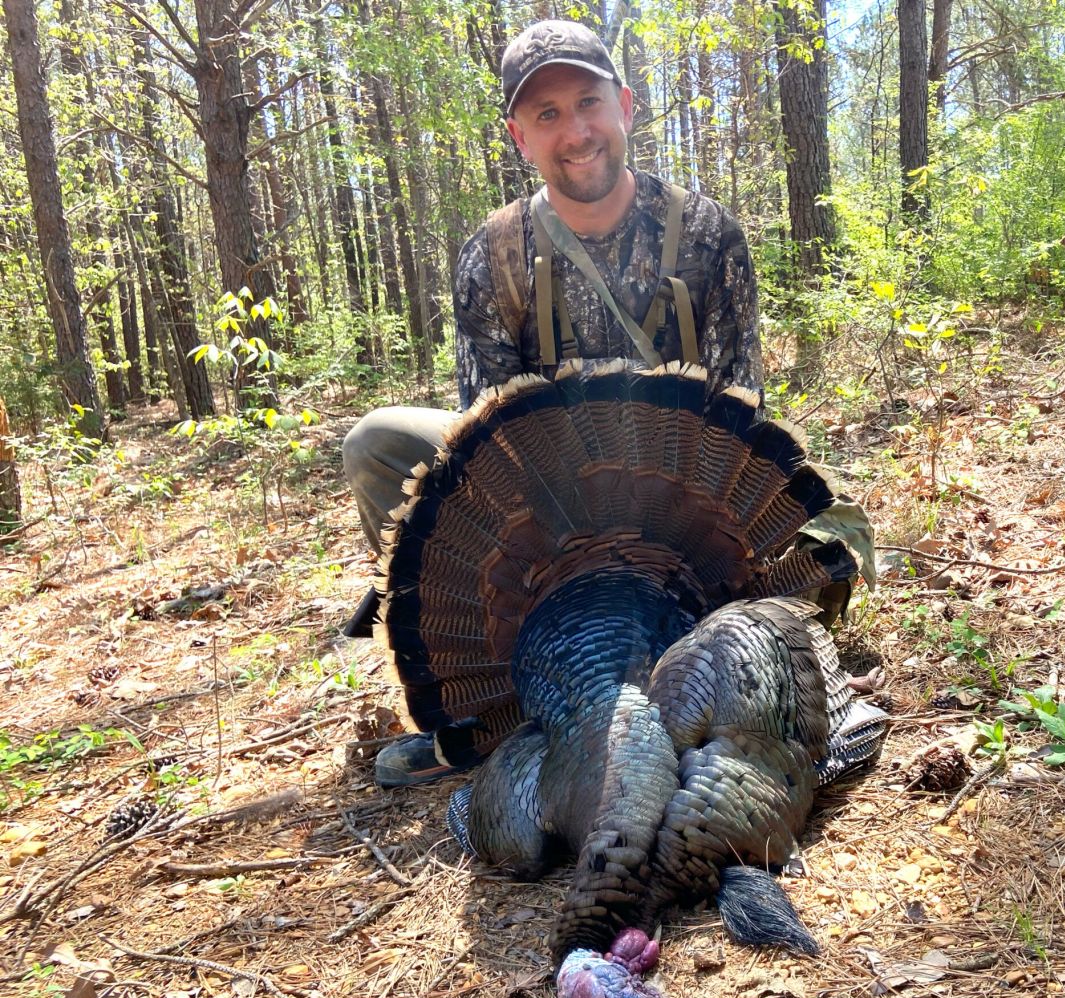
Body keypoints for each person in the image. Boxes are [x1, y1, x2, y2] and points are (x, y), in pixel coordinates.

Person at [343, 19, 871, 788]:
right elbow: (483, 446)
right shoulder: (493, 256)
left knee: (833, 537)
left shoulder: (706, 235)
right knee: (376, 441)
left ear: (625, 105)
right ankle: (499, 692)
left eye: (588, 102)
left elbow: (740, 412)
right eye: (547, 114)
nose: (575, 131)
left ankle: (665, 664)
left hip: (682, 519)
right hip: (549, 516)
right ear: (519, 137)